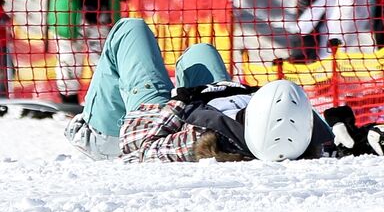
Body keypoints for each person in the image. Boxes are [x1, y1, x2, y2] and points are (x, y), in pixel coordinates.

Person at [64, 17, 330, 163]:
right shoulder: (303, 139)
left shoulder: (206, 139)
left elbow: (141, 149)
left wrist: (181, 102)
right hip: (206, 108)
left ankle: (94, 133)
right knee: (201, 53)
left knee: (130, 29)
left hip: (140, 127)